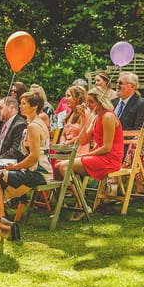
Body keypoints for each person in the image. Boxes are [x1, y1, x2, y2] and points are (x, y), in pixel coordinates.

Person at [0, 92, 52, 239]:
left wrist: (15, 167)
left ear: (34, 106)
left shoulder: (33, 127)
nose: (21, 106)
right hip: (34, 170)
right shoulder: (34, 123)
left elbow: (34, 156)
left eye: (24, 104)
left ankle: (1, 221)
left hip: (38, 173)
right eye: (21, 103)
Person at [55, 86, 124, 219]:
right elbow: (83, 140)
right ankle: (61, 205)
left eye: (91, 102)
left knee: (64, 166)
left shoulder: (108, 116)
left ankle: (81, 206)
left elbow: (107, 148)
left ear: (100, 101)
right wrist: (82, 117)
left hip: (109, 158)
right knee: (57, 167)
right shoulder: (97, 117)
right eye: (87, 102)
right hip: (99, 156)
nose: (88, 105)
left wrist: (86, 155)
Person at [0, 97, 27, 161]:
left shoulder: (20, 125)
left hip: (6, 162)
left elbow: (15, 152)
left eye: (1, 108)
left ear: (11, 108)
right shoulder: (5, 122)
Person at [59, 86, 91, 156]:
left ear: (77, 98)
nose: (66, 99)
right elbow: (63, 134)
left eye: (68, 96)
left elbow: (85, 135)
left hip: (79, 148)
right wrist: (62, 142)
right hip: (67, 148)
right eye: (65, 96)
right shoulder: (69, 114)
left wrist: (70, 142)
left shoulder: (84, 113)